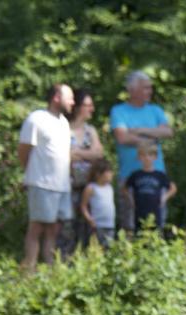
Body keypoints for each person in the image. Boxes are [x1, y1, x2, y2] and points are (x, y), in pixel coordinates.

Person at [18, 83, 73, 273]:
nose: (73, 102)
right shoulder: (37, 119)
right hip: (41, 183)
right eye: (69, 97)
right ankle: (29, 269)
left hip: (62, 186)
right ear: (56, 97)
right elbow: (23, 150)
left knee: (53, 228)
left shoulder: (64, 122)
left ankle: (50, 270)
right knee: (37, 227)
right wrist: (31, 174)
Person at [110, 71, 173, 232]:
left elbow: (167, 132)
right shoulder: (119, 111)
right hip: (130, 177)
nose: (150, 91)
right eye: (146, 88)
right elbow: (122, 138)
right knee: (130, 225)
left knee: (157, 223)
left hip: (156, 176)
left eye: (150, 87)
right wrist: (152, 138)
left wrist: (140, 130)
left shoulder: (156, 110)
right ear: (132, 90)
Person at [63, 88, 104, 253]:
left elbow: (99, 154)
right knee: (67, 225)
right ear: (78, 107)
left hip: (88, 185)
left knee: (88, 225)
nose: (92, 109)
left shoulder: (90, 130)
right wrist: (88, 154)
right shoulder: (63, 128)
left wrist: (77, 153)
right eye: (88, 105)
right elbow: (63, 155)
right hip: (68, 185)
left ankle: (86, 256)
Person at [124, 143, 175, 233]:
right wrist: (131, 199)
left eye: (150, 155)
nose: (147, 158)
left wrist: (164, 198)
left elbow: (173, 188)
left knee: (156, 234)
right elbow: (124, 188)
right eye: (143, 155)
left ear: (155, 157)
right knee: (139, 234)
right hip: (139, 212)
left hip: (155, 212)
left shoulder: (159, 175)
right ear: (139, 157)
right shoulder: (135, 175)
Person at [80, 160, 116, 248]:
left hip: (110, 225)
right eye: (108, 172)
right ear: (98, 174)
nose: (111, 174)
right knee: (96, 249)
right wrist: (90, 219)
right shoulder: (91, 188)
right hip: (97, 226)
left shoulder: (110, 188)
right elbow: (83, 206)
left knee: (108, 249)